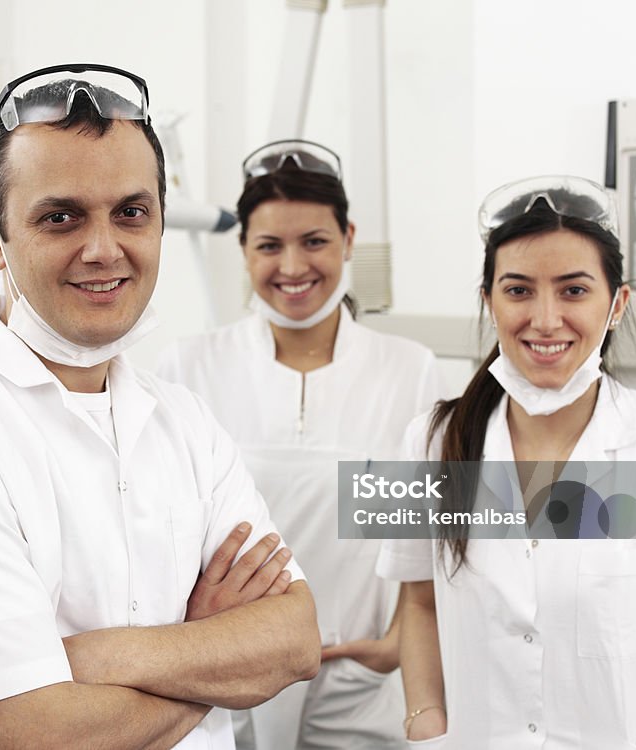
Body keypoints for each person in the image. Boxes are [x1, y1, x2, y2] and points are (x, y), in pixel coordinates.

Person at [0, 64, 320, 750]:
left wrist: (89, 660)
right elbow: (40, 735)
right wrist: (208, 653)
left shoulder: (185, 423)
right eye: (60, 217)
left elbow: (296, 639)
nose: (104, 249)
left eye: (131, 211)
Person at [376, 175, 636, 749]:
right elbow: (419, 601)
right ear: (489, 301)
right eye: (519, 290)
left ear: (616, 303)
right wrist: (425, 723)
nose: (545, 320)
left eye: (574, 290)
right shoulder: (428, 441)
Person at [158, 140, 440, 749]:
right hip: (227, 674)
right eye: (268, 246)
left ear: (348, 238)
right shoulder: (188, 367)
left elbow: (435, 528)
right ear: (242, 251)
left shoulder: (410, 370)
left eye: (314, 241)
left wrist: (396, 641)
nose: (292, 266)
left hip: (358, 677)